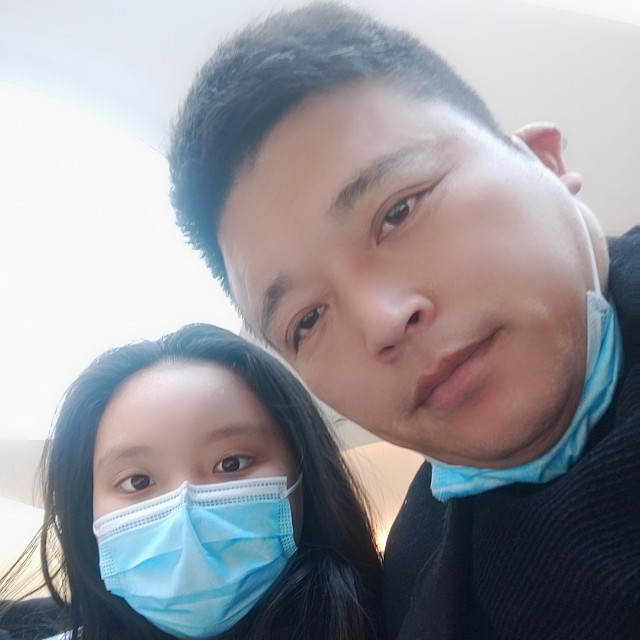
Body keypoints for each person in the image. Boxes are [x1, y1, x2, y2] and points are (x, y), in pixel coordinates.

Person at [167, 3, 640, 639]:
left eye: (399, 212)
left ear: (542, 161)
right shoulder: (405, 578)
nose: (382, 322)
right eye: (307, 320)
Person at [0, 323, 383, 640]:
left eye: (231, 463)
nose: (185, 510)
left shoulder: (401, 617)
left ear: (304, 474)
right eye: (137, 481)